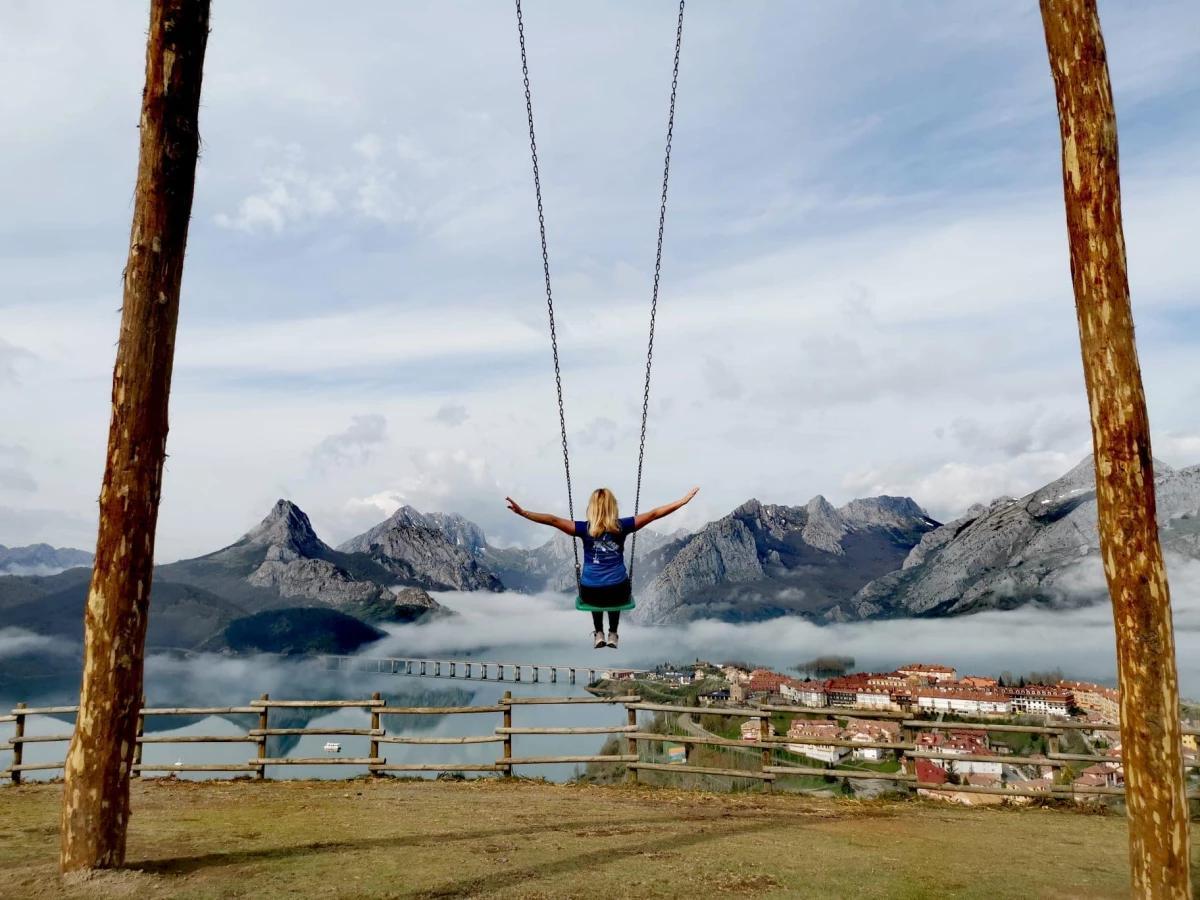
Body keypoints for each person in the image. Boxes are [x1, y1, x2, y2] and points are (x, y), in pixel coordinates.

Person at [505, 486, 699, 649]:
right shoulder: (622, 526)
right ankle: (613, 633)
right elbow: (655, 514)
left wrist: (524, 513)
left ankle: (598, 633)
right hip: (618, 591)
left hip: (591, 593)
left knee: (594, 587)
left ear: (592, 508)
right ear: (612, 507)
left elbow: (553, 520)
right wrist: (682, 502)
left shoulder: (583, 529)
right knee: (616, 590)